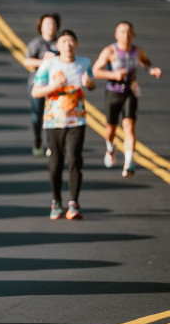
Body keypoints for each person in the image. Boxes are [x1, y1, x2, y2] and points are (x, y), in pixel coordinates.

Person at [31, 29, 96, 220]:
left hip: (77, 119)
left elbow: (91, 84)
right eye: (64, 41)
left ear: (76, 44)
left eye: (71, 41)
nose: (68, 45)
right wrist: (53, 86)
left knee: (75, 159)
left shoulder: (84, 63)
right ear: (58, 45)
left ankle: (74, 204)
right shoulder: (49, 64)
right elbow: (35, 91)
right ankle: (56, 202)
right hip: (54, 121)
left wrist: (89, 83)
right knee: (56, 164)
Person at [92, 21, 163, 178]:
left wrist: (152, 70)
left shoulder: (137, 51)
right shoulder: (110, 51)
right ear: (116, 35)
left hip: (130, 92)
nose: (126, 35)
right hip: (113, 93)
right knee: (110, 129)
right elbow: (96, 71)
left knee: (129, 127)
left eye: (129, 32)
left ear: (133, 34)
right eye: (122, 32)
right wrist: (113, 75)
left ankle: (128, 163)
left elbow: (146, 62)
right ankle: (110, 148)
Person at [24, 13, 61, 157]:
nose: (51, 27)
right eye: (47, 24)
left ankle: (52, 143)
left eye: (53, 24)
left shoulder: (60, 42)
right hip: (37, 85)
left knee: (52, 115)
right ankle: (38, 139)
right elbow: (27, 61)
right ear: (41, 27)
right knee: (37, 115)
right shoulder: (36, 43)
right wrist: (44, 63)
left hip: (55, 85)